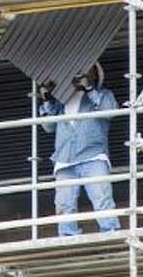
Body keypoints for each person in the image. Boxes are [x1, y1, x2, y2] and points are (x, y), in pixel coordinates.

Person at [37, 62, 120, 236]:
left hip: (93, 155)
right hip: (64, 158)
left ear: (95, 74)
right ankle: (67, 236)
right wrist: (46, 99)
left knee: (101, 197)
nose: (81, 72)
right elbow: (48, 127)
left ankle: (110, 232)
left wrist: (89, 89)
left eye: (87, 69)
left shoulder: (103, 95)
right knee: (64, 202)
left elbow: (110, 112)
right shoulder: (61, 100)